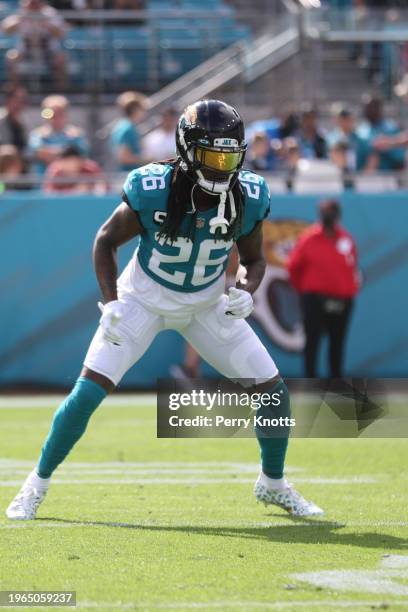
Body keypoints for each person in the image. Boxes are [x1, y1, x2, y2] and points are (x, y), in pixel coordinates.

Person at [6, 99, 323, 521]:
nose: (222, 165)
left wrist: (247, 288)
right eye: (212, 155)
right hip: (144, 299)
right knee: (86, 395)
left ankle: (274, 484)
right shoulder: (153, 187)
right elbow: (105, 240)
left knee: (274, 395)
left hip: (207, 305)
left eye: (230, 155)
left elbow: (255, 258)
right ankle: (36, 484)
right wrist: (112, 301)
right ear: (188, 150)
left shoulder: (248, 194)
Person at [287, 199, 359, 378]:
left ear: (338, 214)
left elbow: (352, 267)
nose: (328, 214)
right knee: (313, 341)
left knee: (337, 341)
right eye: (325, 211)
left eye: (331, 210)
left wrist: (348, 290)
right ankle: (310, 381)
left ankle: (336, 381)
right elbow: (293, 267)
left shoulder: (346, 239)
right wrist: (304, 291)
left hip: (342, 300)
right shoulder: (309, 238)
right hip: (314, 299)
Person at [2, 0, 67, 90]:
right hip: (25, 51)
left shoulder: (50, 13)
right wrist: (21, 19)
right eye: (31, 3)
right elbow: (6, 30)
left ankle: (61, 90)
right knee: (11, 57)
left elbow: (61, 34)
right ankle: (14, 90)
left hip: (48, 51)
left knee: (60, 59)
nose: (33, 5)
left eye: (36, 3)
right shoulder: (21, 13)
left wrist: (46, 23)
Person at [29, 95, 89, 175]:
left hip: (72, 184)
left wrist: (52, 153)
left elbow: (81, 156)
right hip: (42, 184)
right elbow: (40, 153)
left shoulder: (77, 135)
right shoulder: (37, 134)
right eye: (51, 113)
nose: (55, 117)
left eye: (60, 113)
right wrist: (66, 154)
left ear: (66, 114)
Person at [355, 96, 406, 171]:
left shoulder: (392, 128)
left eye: (373, 107)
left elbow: (400, 157)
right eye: (368, 107)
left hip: (389, 176)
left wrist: (386, 146)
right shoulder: (359, 130)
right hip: (365, 176)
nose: (370, 110)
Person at [111, 91, 148, 172]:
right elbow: (124, 157)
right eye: (142, 109)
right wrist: (147, 160)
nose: (144, 113)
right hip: (127, 176)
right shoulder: (127, 128)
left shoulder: (124, 126)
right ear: (136, 110)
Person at [0, 85, 28, 159]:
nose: (19, 104)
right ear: (7, 100)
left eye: (22, 101)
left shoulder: (23, 122)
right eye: (16, 100)